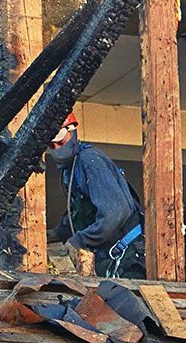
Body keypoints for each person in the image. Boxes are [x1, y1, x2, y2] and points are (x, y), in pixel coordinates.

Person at [48, 111, 145, 278]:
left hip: (129, 258)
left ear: (72, 132)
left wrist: (81, 240)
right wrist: (58, 233)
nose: (57, 149)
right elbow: (78, 212)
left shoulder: (90, 161)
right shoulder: (69, 170)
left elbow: (115, 213)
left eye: (61, 142)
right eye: (52, 146)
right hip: (111, 258)